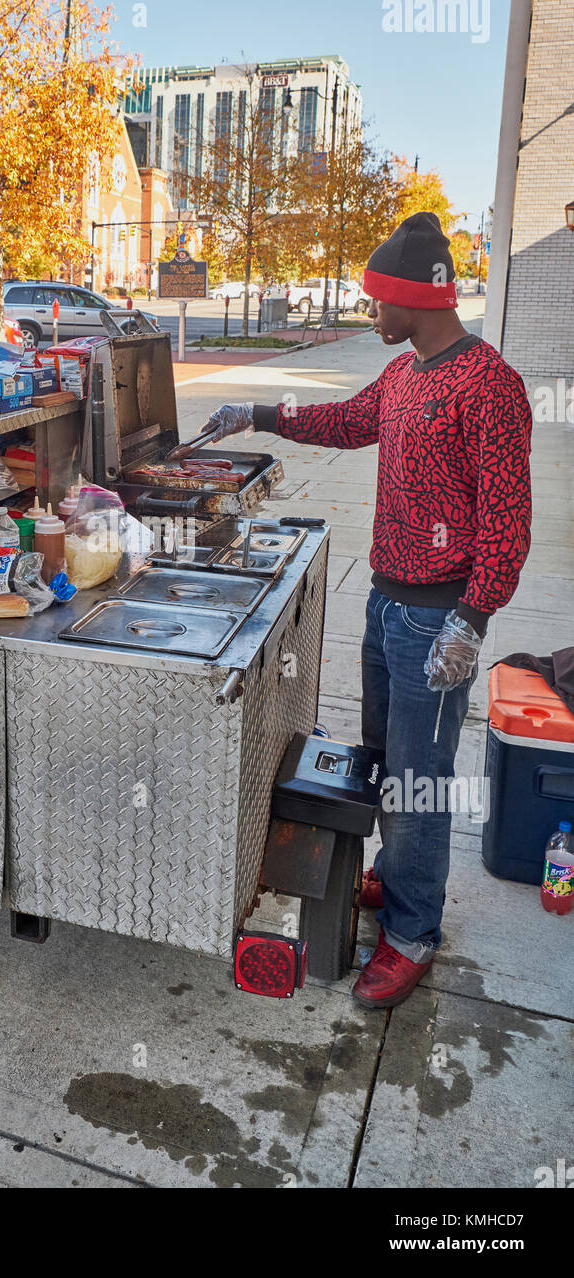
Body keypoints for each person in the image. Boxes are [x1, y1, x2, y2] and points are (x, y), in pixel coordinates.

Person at [201, 211, 533, 1008]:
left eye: (375, 300)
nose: (370, 313)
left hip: (437, 618)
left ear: (411, 299)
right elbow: (350, 422)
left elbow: (509, 522)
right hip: (388, 603)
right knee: (387, 758)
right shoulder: (407, 373)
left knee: (420, 777)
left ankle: (414, 931)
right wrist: (263, 414)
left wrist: (473, 618)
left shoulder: (488, 384)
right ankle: (395, 876)